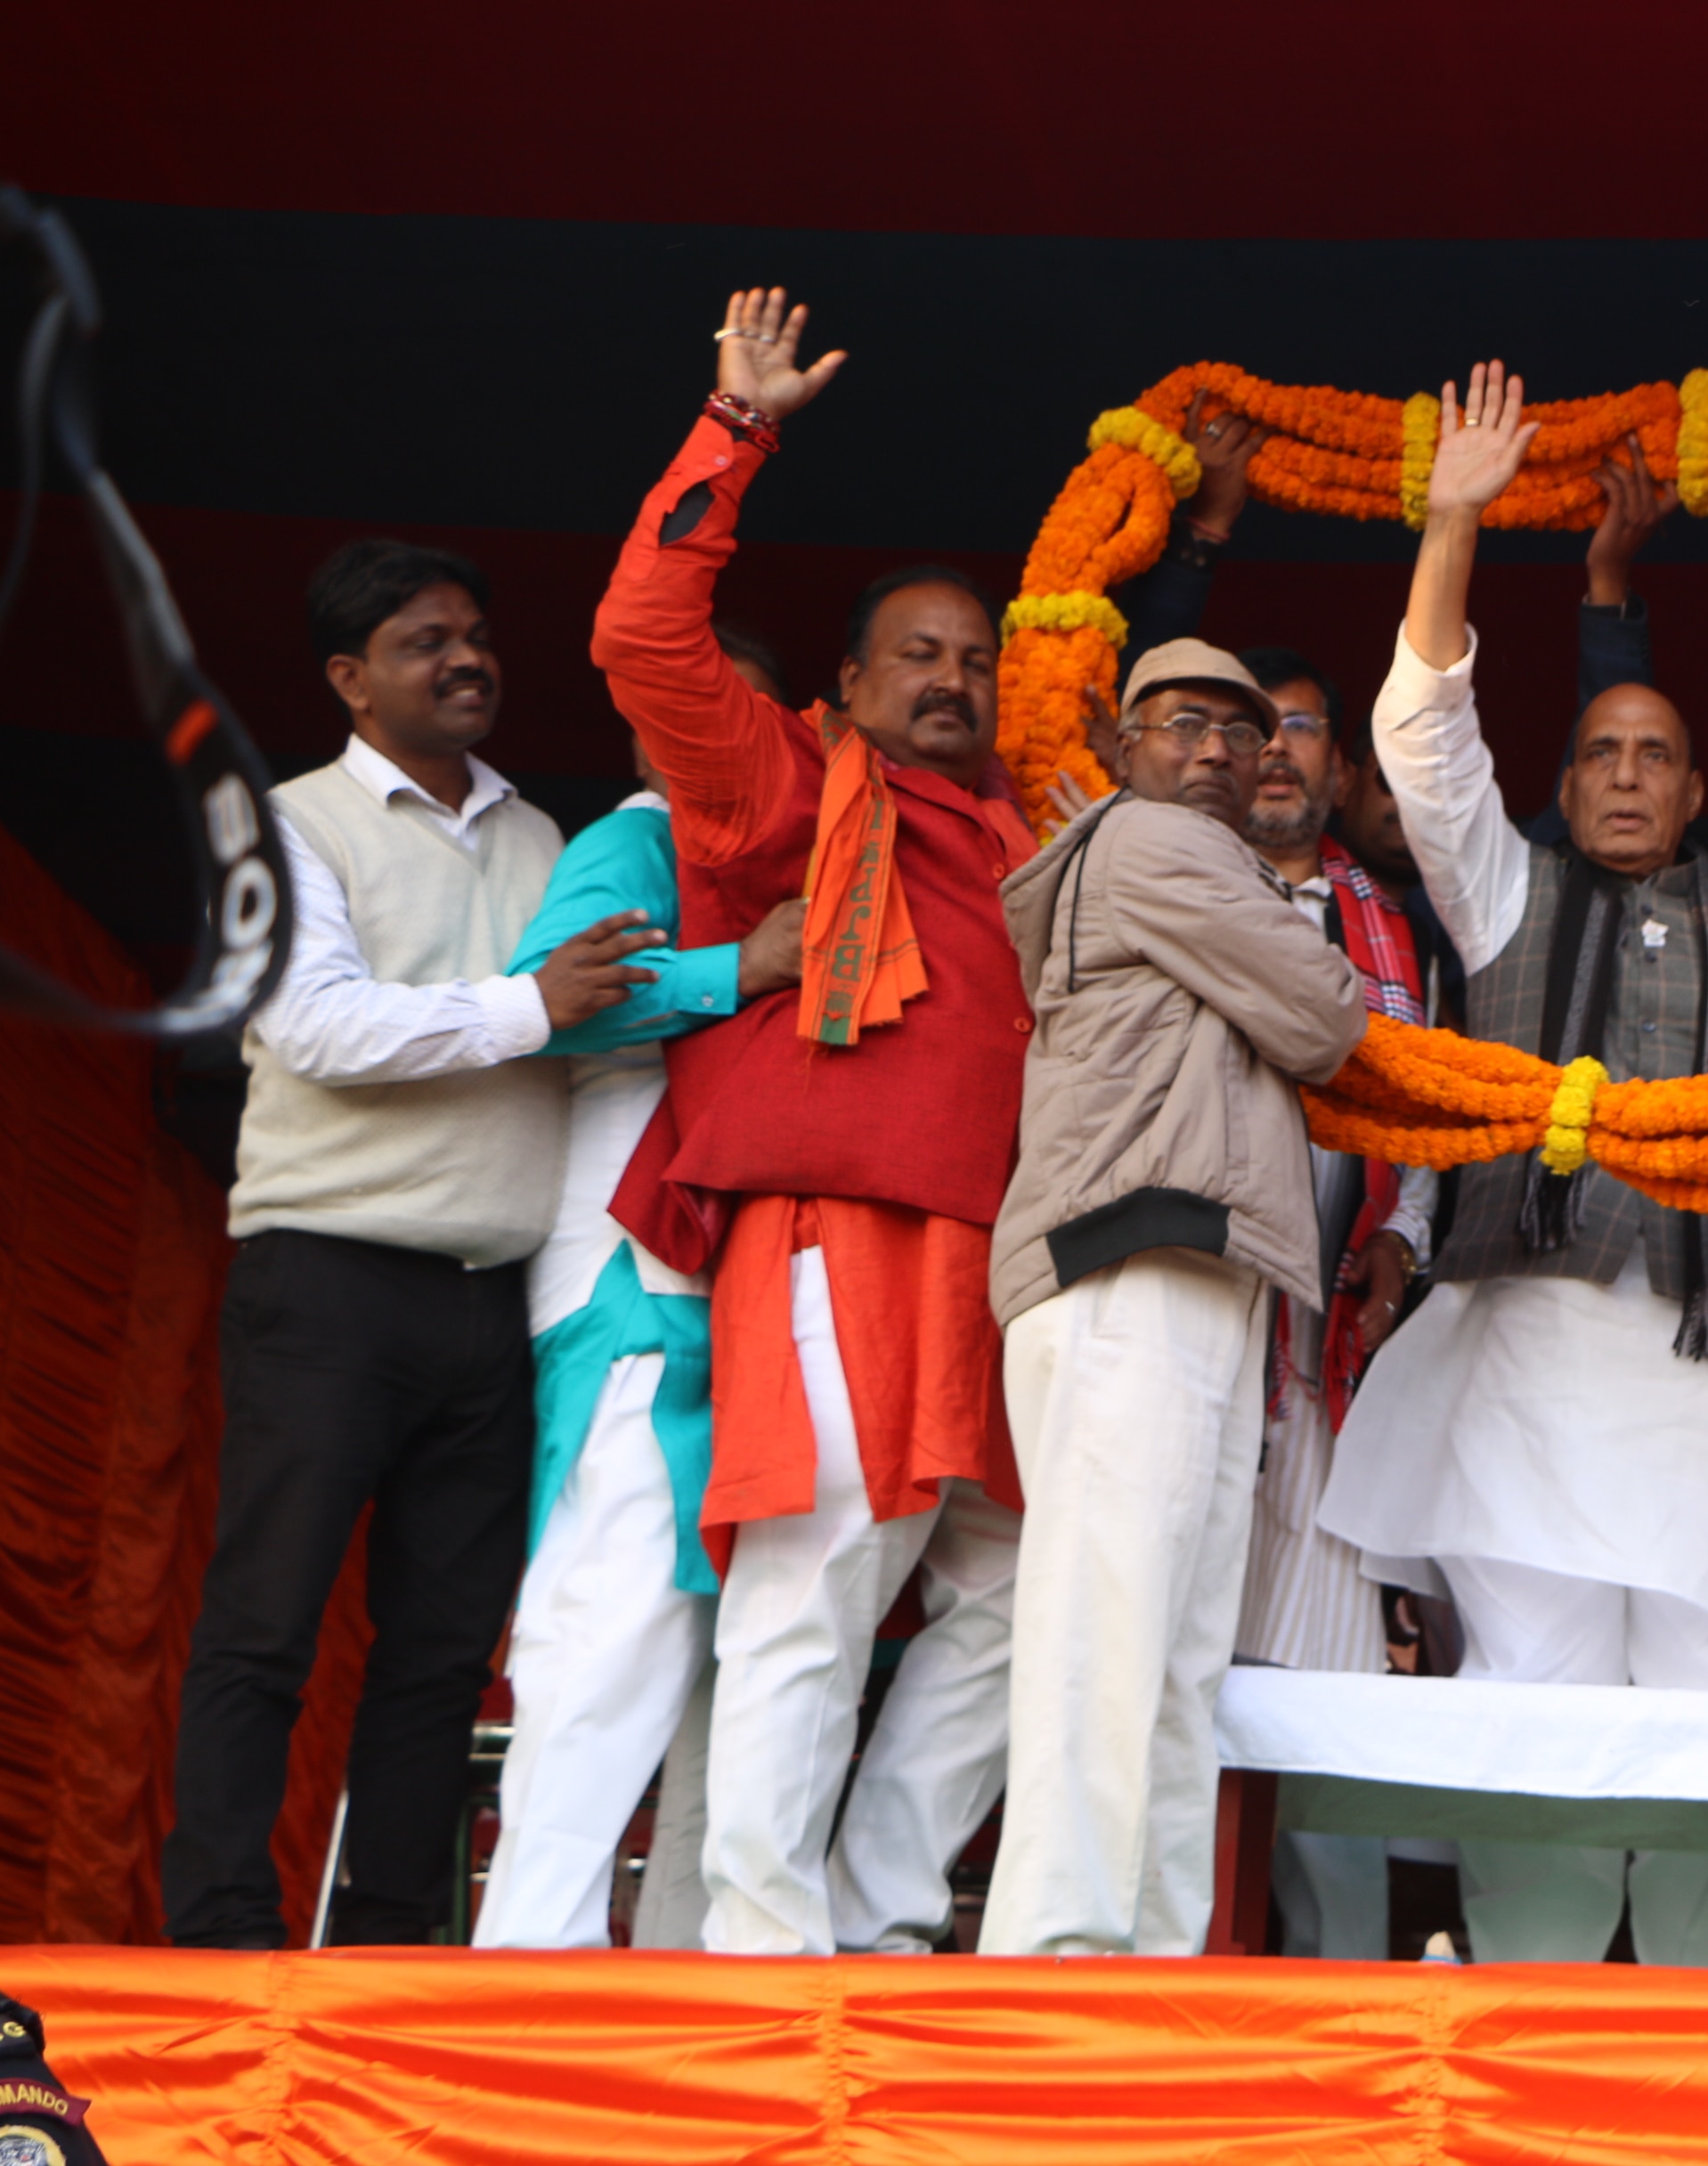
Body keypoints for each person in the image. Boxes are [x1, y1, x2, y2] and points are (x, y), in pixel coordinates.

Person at [1318, 364, 1708, 1969]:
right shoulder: (1500, 898)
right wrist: (1453, 521)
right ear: (1565, 788)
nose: (1626, 771)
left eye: (1657, 754)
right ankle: (1530, 2029)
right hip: (1530, 1370)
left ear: (1698, 793)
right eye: (1602, 751)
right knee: (1538, 1698)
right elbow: (1421, 734)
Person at [590, 288, 1029, 1957]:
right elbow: (642, 639)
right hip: (837, 1235)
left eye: (975, 660)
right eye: (917, 654)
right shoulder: (787, 784)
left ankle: (879, 1910)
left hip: (1000, 1262)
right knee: (821, 1582)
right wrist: (737, 431)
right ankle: (765, 1951)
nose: (952, 679)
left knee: (1015, 1598)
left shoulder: (1019, 835)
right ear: (848, 679)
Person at [163, 540, 658, 1948]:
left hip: (492, 1302)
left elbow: (602, 1034)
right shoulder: (283, 823)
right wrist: (527, 1006)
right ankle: (217, 1937)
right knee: (266, 1627)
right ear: (349, 680)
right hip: (327, 1282)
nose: (466, 659)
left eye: (477, 635)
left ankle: (384, 1945)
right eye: (424, 641)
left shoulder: (548, 843)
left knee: (443, 1654)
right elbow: (314, 1024)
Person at [978, 638, 1369, 1957]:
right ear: (1126, 745)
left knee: (1178, 1640)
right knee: (1110, 1622)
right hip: (1126, 1263)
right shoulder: (1154, 840)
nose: (1212, 750)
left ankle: (1144, 1955)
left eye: (1238, 733)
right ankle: (1057, 1955)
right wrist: (1298, 961)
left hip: (1185, 1264)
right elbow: (1324, 1012)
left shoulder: (1186, 855)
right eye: (1180, 723)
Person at [469, 655, 810, 1949]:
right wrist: (744, 970)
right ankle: (530, 1955)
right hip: (632, 1258)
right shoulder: (641, 835)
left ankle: (655, 1956)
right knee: (610, 1605)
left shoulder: (760, 850)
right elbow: (552, 1002)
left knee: (696, 1623)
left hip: (715, 1264)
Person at [1221, 639, 1438, 1960]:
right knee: (1178, 1654)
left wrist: (1403, 1243)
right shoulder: (1170, 881)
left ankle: (1337, 1990)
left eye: (1302, 727)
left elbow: (1417, 1115)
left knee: (1328, 1680)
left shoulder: (1388, 926)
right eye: (1255, 728)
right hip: (1194, 1315)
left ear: (1342, 768)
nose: (1278, 750)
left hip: (1333, 1344)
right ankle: (1176, 1973)